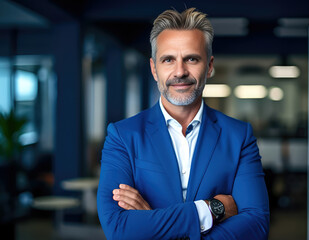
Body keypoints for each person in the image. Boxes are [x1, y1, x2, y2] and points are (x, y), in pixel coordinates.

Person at [97, 7, 269, 240]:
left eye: (191, 59)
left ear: (208, 66)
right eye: (168, 59)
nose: (180, 71)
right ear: (154, 69)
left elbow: (257, 225)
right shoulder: (123, 136)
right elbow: (118, 228)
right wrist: (211, 209)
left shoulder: (239, 136)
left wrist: (153, 222)